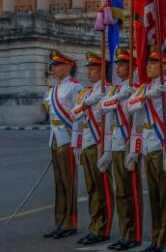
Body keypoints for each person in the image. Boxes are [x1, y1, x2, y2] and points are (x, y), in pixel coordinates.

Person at [126, 46, 166, 252]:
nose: (148, 66)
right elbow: (132, 110)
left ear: (164, 66)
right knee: (154, 197)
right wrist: (134, 148)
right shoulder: (145, 89)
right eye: (148, 63)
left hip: (162, 147)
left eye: (153, 63)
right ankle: (156, 238)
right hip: (148, 146)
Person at [99, 47, 143, 251]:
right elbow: (104, 111)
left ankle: (134, 234)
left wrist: (135, 148)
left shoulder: (137, 89)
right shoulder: (115, 91)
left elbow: (139, 122)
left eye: (122, 63)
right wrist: (107, 150)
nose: (118, 67)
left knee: (131, 193)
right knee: (121, 193)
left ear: (131, 67)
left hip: (128, 145)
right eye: (116, 64)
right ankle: (125, 232)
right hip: (116, 144)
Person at [71, 52, 114, 245]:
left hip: (100, 143)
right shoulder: (85, 93)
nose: (89, 71)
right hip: (87, 141)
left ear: (102, 70)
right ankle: (94, 225)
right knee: (91, 188)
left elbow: (112, 121)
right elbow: (77, 120)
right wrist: (76, 143)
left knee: (102, 188)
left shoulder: (109, 91)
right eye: (88, 68)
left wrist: (108, 149)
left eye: (93, 68)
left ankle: (103, 228)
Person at [42, 50, 82, 240]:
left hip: (68, 139)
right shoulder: (52, 90)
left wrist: (77, 142)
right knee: (59, 184)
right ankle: (59, 222)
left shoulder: (75, 87)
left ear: (68, 66)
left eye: (57, 65)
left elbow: (79, 117)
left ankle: (70, 222)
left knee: (69, 182)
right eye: (53, 66)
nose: (54, 69)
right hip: (55, 139)